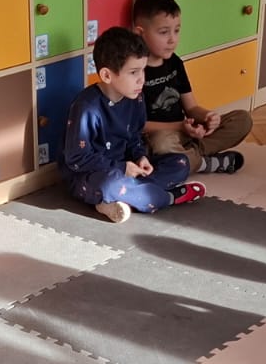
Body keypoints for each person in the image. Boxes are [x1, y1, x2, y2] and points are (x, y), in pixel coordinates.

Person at [63, 26, 201, 223]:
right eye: (134, 72)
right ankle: (167, 197)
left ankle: (123, 198)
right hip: (92, 176)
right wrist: (120, 168)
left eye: (143, 70)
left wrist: (140, 157)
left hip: (127, 170)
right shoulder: (86, 107)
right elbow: (77, 158)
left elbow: (134, 137)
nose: (141, 79)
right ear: (107, 75)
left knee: (180, 163)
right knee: (109, 185)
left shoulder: (136, 98)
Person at [132, 0, 250, 176]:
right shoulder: (134, 70)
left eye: (177, 31)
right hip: (158, 137)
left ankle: (189, 158)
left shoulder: (175, 63)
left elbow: (191, 107)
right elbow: (138, 125)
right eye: (164, 32)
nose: (172, 39)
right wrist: (179, 126)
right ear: (140, 33)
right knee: (162, 144)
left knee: (242, 120)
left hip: (186, 133)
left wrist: (207, 117)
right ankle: (204, 163)